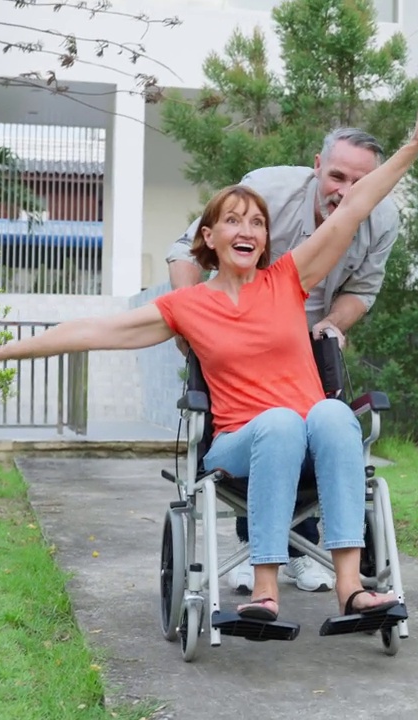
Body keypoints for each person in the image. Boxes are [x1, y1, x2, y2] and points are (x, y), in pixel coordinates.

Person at [0, 82, 418, 623]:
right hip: (237, 444)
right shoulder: (188, 306)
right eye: (233, 220)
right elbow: (90, 331)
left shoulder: (289, 280)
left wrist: (413, 145)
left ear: (268, 239)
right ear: (210, 236)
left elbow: (355, 207)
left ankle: (351, 589)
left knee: (333, 413)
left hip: (305, 435)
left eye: (257, 222)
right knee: (279, 423)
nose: (246, 229)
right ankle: (266, 591)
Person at [164, 126, 401, 596]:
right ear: (317, 165)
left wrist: (332, 323)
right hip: (238, 324)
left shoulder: (382, 218)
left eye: (361, 180)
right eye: (336, 175)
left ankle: (308, 555)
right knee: (270, 423)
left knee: (320, 420)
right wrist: (193, 316)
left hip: (307, 335)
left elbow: (363, 291)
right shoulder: (267, 191)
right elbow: (185, 251)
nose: (346, 191)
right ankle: (264, 555)